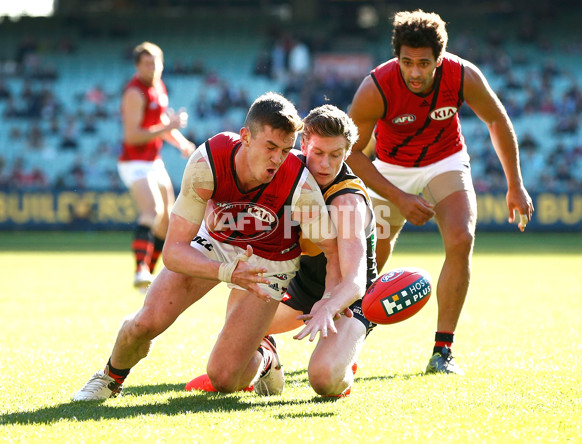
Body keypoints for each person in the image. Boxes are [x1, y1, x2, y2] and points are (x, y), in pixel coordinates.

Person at [72, 92, 343, 401]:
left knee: (225, 378)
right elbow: (174, 251)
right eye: (270, 146)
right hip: (216, 242)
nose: (277, 159)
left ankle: (266, 356)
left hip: (270, 262)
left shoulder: (300, 184)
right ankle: (109, 379)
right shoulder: (209, 162)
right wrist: (227, 272)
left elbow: (332, 250)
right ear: (245, 137)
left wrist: (333, 300)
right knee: (144, 323)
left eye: (285, 150)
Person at [346, 10, 534, 374]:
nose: (415, 72)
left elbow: (496, 119)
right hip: (390, 171)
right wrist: (400, 198)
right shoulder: (376, 87)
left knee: (462, 238)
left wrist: (515, 184)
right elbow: (352, 152)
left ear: (440, 58)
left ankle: (442, 351)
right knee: (370, 258)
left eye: (424, 63)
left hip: (445, 163)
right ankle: (351, 336)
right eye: (406, 62)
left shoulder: (462, 74)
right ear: (396, 57)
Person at [186, 104, 377, 397]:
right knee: (236, 339)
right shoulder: (280, 167)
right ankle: (266, 358)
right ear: (303, 145)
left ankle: (343, 364)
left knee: (324, 379)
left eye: (336, 156)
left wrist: (328, 305)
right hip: (297, 287)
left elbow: (354, 281)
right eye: (318, 153)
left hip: (347, 300)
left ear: (347, 154)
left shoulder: (347, 201)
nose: (325, 164)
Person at [117, 41, 196, 291]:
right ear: (138, 66)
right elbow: (133, 136)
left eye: (156, 63)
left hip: (153, 161)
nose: (152, 68)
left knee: (166, 221)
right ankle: (140, 270)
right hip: (135, 162)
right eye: (147, 63)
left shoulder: (159, 87)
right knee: (151, 211)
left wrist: (180, 142)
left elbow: (159, 121)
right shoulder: (134, 92)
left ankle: (148, 276)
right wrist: (169, 128)